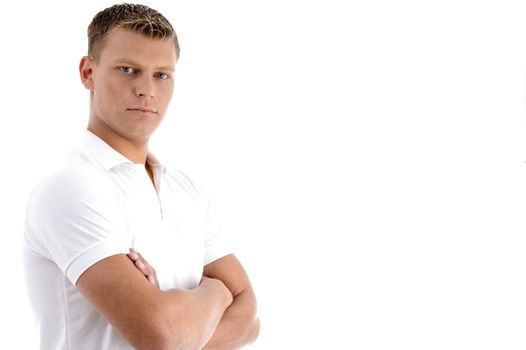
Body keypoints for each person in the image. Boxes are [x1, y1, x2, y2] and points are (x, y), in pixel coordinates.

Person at [22, 3, 260, 349]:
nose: (147, 89)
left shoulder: (187, 190)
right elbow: (160, 336)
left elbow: (250, 320)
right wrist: (217, 291)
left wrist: (181, 324)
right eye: (128, 69)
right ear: (88, 72)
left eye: (161, 74)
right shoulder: (72, 188)